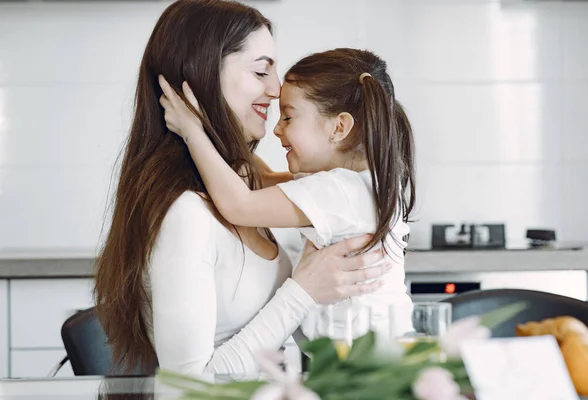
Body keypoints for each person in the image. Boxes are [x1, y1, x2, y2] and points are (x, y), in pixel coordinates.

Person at [93, 0, 391, 377]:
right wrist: (302, 291)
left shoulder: (241, 184)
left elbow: (260, 184)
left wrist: (203, 134)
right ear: (203, 72)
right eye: (261, 71)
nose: (276, 88)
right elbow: (189, 385)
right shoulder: (187, 213)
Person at [158, 47, 417, 339]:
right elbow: (261, 179)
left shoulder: (339, 191)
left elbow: (239, 204)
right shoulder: (361, 183)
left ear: (339, 127)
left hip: (365, 364)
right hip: (379, 352)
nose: (276, 129)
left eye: (288, 117)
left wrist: (193, 132)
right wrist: (220, 125)